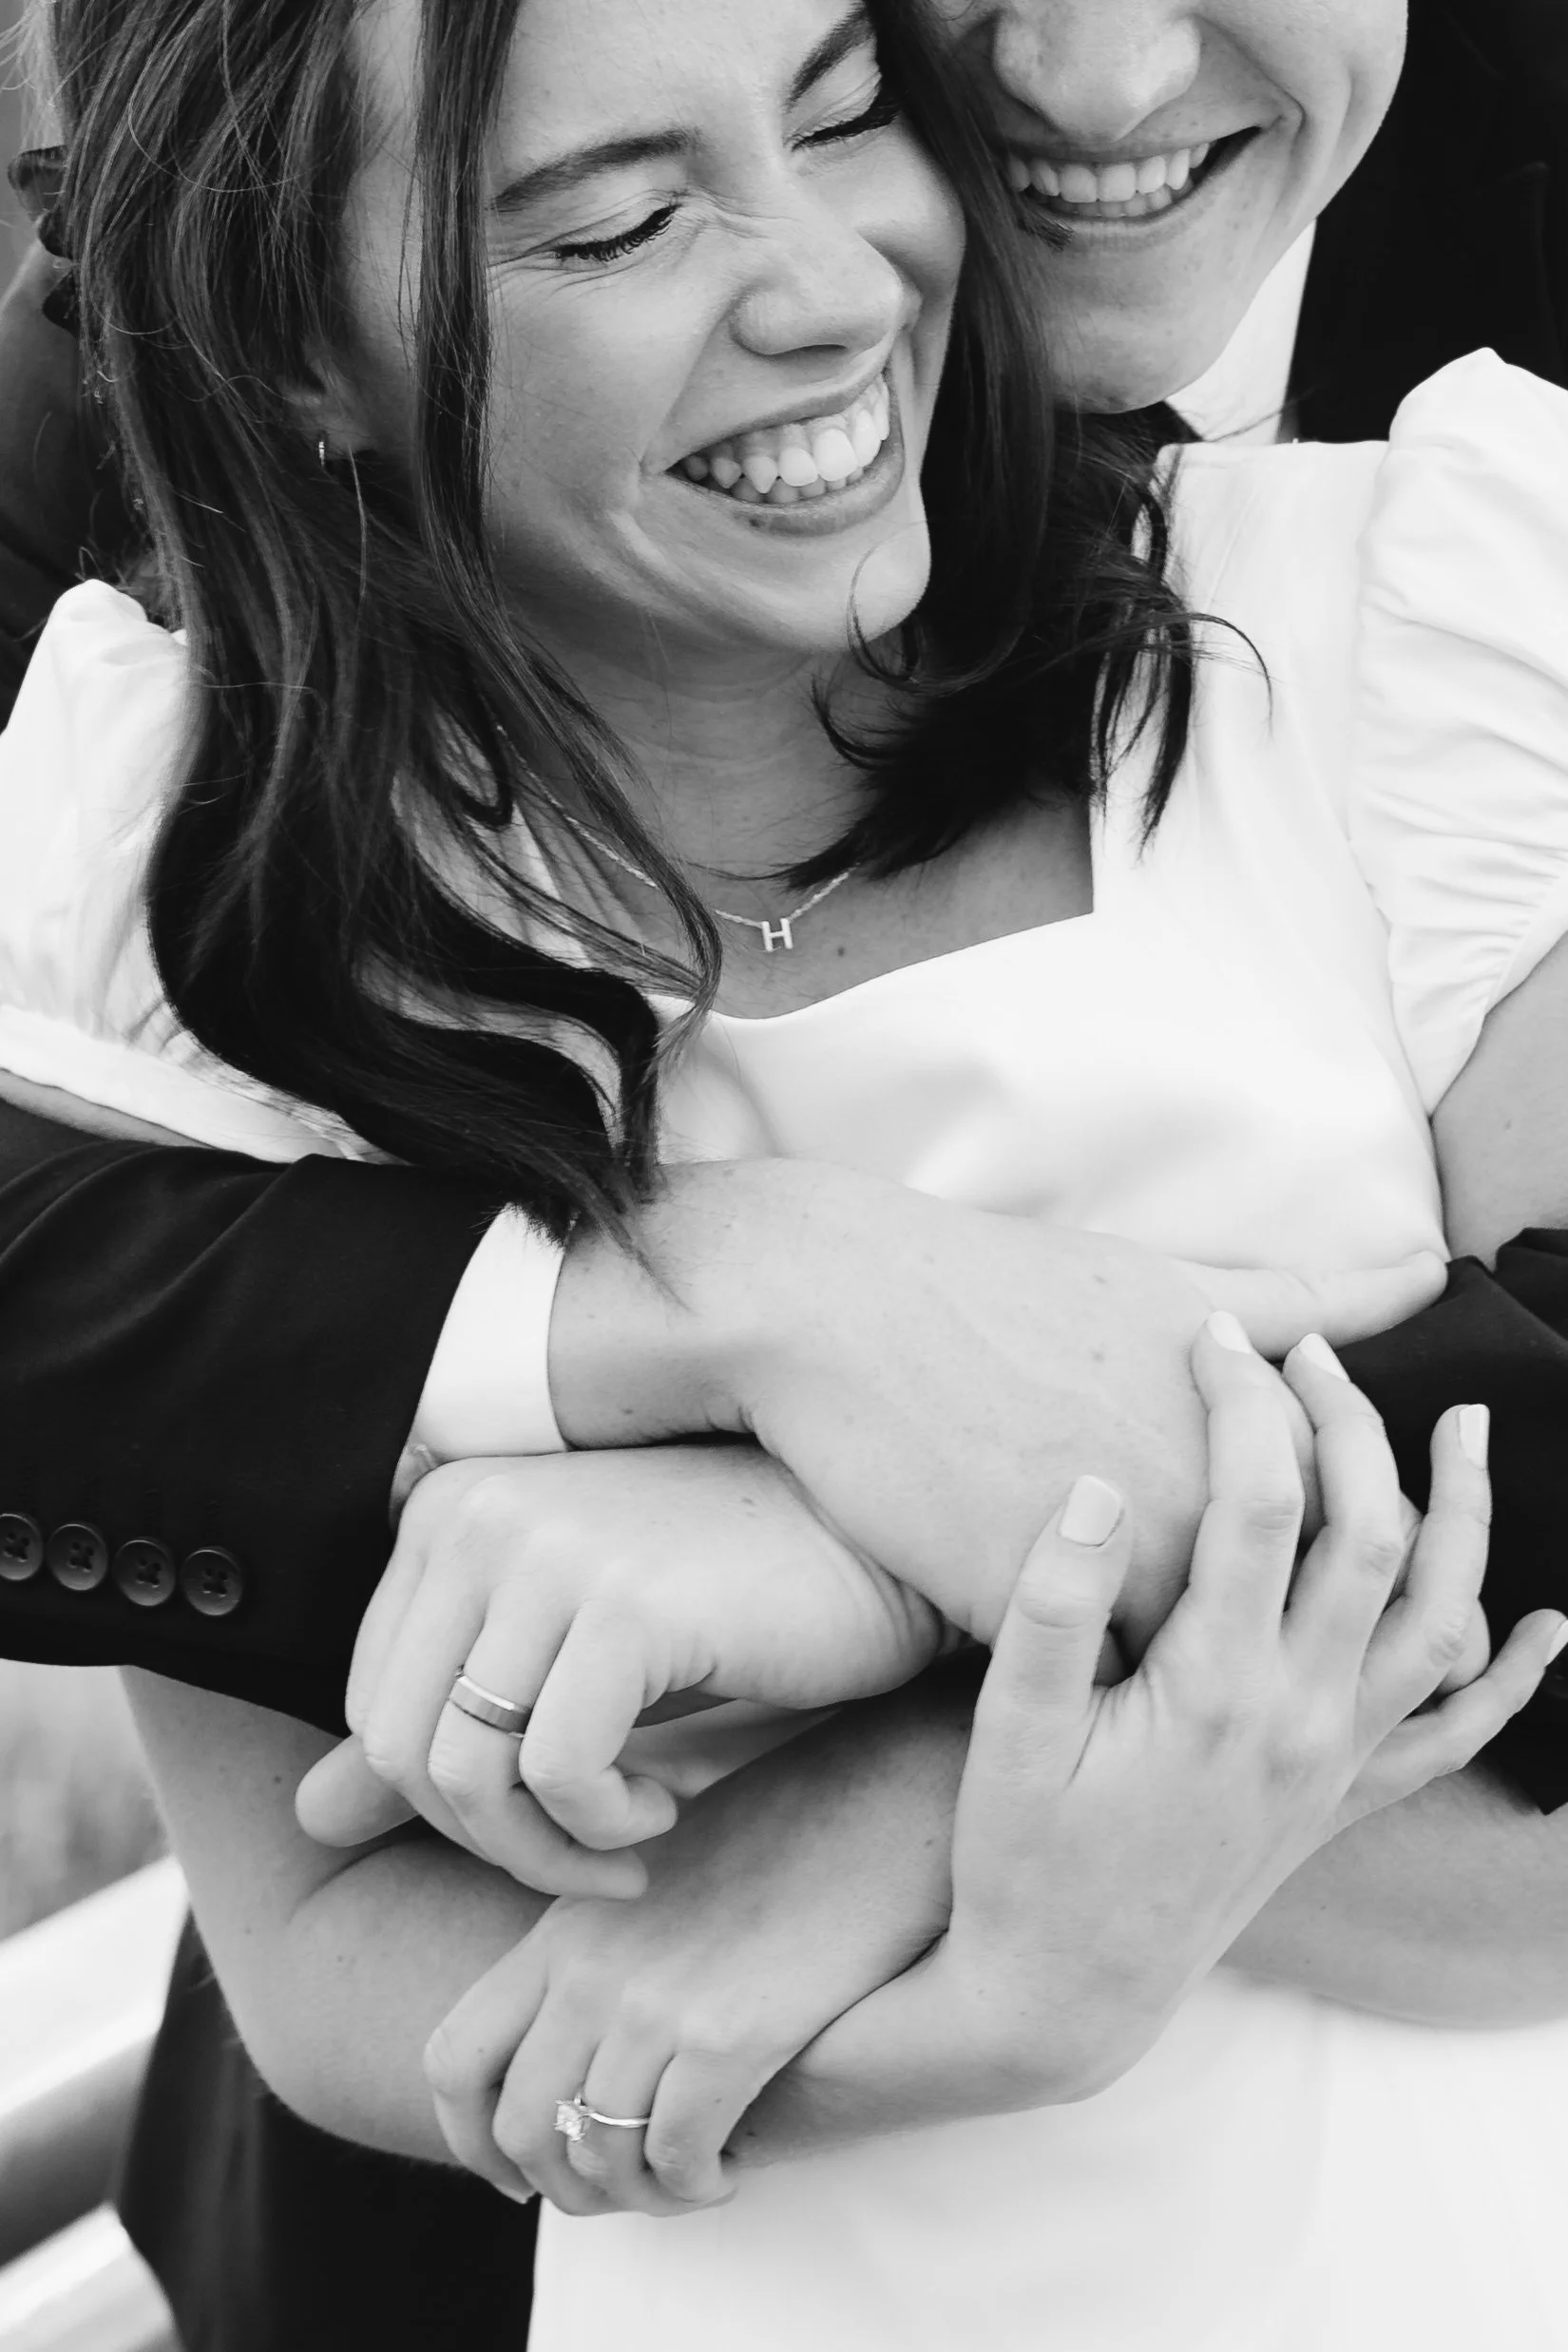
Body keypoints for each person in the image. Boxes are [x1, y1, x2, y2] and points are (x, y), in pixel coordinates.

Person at [5, 5, 1568, 2351]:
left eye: (845, 112)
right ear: (297, 363)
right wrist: (996, 2001)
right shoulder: (180, 873)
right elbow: (334, 1956)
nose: (836, 281)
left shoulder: (1421, 614)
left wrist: (861, 1650)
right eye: (621, 218)